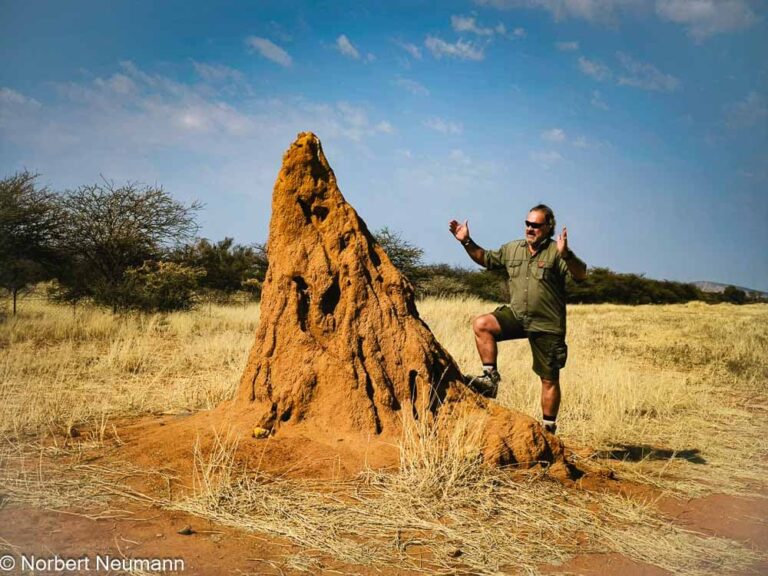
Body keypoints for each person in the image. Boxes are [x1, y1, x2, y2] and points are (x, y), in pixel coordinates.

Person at [448, 204, 587, 434]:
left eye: (536, 225)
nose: (530, 229)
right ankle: (490, 379)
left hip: (547, 324)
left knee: (549, 379)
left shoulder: (556, 252)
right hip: (518, 315)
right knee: (482, 324)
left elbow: (580, 274)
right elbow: (485, 259)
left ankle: (548, 431)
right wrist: (465, 241)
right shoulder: (513, 249)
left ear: (547, 227)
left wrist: (567, 254)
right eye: (527, 224)